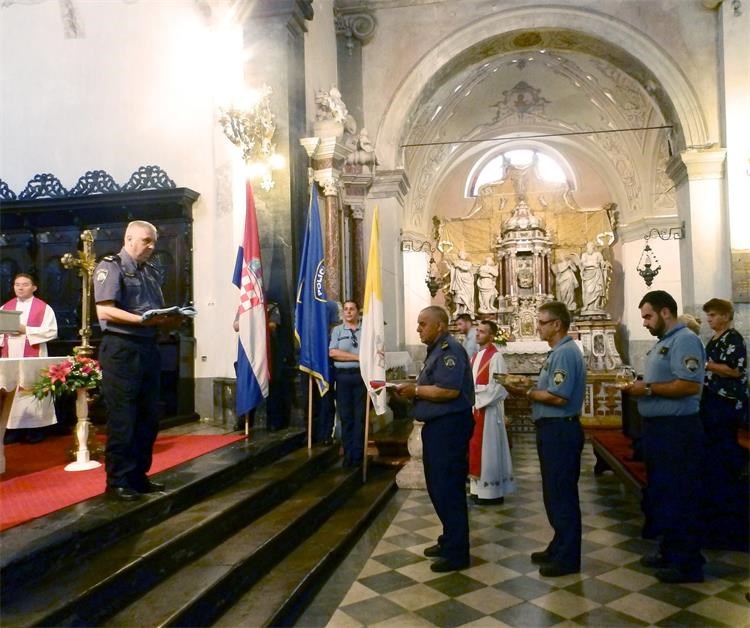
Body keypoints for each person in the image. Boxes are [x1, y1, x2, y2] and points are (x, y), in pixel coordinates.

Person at [94, 220, 181, 501]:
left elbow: (154, 310)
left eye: (154, 241)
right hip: (122, 349)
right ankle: (118, 481)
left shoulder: (150, 271)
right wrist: (142, 320)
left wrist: (168, 319)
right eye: (146, 240)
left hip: (148, 347)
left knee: (148, 417)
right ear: (129, 238)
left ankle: (138, 476)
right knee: (124, 418)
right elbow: (105, 311)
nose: (152, 246)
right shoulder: (111, 266)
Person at [624, 290, 706, 583]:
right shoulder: (665, 342)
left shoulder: (685, 340)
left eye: (648, 316)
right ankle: (670, 551)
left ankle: (688, 563)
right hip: (659, 430)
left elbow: (689, 385)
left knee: (681, 495)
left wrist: (646, 389)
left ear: (665, 312)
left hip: (678, 431)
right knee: (664, 494)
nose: (645, 322)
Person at [505, 301, 586, 577]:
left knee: (562, 494)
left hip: (560, 430)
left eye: (541, 322)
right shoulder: (558, 352)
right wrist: (529, 387)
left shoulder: (565, 353)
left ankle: (568, 558)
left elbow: (558, 396)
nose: (536, 327)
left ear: (557, 325)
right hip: (553, 429)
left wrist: (526, 392)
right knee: (554, 492)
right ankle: (559, 545)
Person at [395, 306, 474, 572]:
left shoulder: (450, 351)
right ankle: (449, 539)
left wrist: (415, 390)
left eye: (423, 324)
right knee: (438, 487)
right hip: (439, 427)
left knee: (448, 488)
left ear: (440, 325)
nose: (418, 329)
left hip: (449, 427)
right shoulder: (436, 350)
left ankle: (458, 552)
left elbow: (449, 391)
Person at [700, 298, 748, 548]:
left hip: (726, 400)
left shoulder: (733, 338)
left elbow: (735, 370)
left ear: (726, 316)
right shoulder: (715, 339)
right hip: (711, 397)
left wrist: (705, 364)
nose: (709, 319)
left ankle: (728, 491)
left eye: (713, 315)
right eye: (708, 315)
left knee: (724, 446)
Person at [1, 273, 58, 444]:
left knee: (32, 388)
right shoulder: (5, 308)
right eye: (17, 284)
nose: (20, 287)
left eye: (25, 284)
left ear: (34, 287)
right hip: (10, 353)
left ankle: (35, 428)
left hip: (34, 353)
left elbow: (52, 331)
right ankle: (12, 429)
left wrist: (25, 330)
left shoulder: (44, 308)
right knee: (12, 388)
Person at [468, 319, 514, 504]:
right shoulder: (475, 356)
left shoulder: (496, 357)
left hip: (489, 411)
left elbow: (500, 387)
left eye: (482, 331)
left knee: (489, 451)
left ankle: (492, 493)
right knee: (475, 448)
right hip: (476, 408)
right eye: (477, 331)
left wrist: (476, 399)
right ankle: (477, 490)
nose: (478, 334)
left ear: (491, 336)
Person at [329, 300, 366, 467]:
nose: (349, 312)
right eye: (346, 309)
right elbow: (333, 353)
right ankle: (348, 453)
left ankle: (358, 455)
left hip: (360, 377)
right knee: (346, 416)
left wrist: (350, 357)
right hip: (343, 377)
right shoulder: (337, 330)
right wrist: (358, 357)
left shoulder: (365, 330)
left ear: (358, 311)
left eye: (352, 309)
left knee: (360, 417)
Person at [579, 241, 609, 313]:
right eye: (588, 247)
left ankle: (596, 306)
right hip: (587, 275)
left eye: (592, 247)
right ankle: (587, 306)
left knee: (598, 289)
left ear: (594, 247)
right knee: (588, 290)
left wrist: (605, 264)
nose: (590, 248)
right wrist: (593, 264)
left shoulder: (598, 254)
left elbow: (602, 262)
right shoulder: (584, 255)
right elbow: (583, 264)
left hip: (597, 274)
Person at [448, 250, 475, 318]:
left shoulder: (468, 263)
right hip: (458, 281)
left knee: (467, 296)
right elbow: (452, 271)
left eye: (464, 254)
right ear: (459, 255)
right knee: (458, 295)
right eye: (462, 254)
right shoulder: (456, 262)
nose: (464, 255)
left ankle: (465, 310)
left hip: (467, 281)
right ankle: (457, 310)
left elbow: (467, 268)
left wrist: (458, 265)